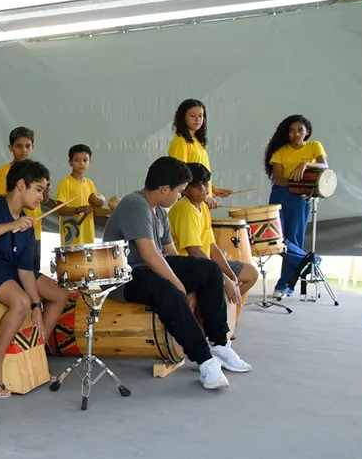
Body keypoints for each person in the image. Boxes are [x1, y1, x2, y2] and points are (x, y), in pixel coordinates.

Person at [102, 156, 252, 390]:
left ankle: (219, 344)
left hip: (148, 268)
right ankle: (205, 361)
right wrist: (180, 285)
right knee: (168, 290)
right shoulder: (135, 203)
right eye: (179, 191)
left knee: (209, 270)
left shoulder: (158, 209)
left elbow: (170, 253)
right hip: (125, 275)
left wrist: (191, 280)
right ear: (164, 189)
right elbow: (149, 254)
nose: (179, 196)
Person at [0, 159, 69, 398]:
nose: (42, 197)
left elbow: (25, 271)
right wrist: (11, 225)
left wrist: (38, 304)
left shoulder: (28, 223)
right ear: (20, 185)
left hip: (7, 270)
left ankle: (34, 356)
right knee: (20, 302)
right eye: (38, 189)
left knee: (60, 294)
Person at [168, 162, 259, 308]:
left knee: (251, 274)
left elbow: (212, 247)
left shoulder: (203, 207)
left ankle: (224, 307)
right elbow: (194, 251)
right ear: (184, 189)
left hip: (206, 263)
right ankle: (208, 314)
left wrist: (232, 278)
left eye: (205, 183)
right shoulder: (184, 209)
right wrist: (222, 278)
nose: (203, 189)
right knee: (213, 286)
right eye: (196, 185)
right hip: (189, 266)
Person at [263, 114, 327, 298]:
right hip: (280, 194)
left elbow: (324, 165)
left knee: (294, 238)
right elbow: (279, 178)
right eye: (291, 131)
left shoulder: (314, 146)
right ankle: (308, 261)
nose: (296, 134)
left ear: (307, 131)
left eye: (300, 130)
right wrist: (296, 183)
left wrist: (305, 163)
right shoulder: (280, 151)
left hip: (301, 197)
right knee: (274, 238)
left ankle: (285, 285)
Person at [167, 98, 235, 208]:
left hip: (199, 197)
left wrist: (213, 190)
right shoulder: (180, 141)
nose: (197, 119)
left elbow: (199, 172)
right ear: (183, 117)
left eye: (200, 116)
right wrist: (205, 196)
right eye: (192, 116)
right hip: (190, 199)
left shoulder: (197, 141)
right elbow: (181, 175)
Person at [0, 126, 43, 267]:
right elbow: (1, 201)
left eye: (27, 146)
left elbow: (41, 199)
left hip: (34, 229)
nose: (24, 150)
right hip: (12, 230)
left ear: (33, 147)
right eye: (19, 146)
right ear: (10, 147)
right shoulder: (3, 172)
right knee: (13, 272)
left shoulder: (38, 172)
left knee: (33, 272)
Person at [54, 144, 106, 246]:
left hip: (88, 235)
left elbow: (95, 210)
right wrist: (79, 209)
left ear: (89, 162)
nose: (81, 163)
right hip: (71, 236)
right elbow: (61, 210)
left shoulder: (90, 184)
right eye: (77, 160)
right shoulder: (65, 183)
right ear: (70, 162)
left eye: (85, 160)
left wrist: (112, 211)